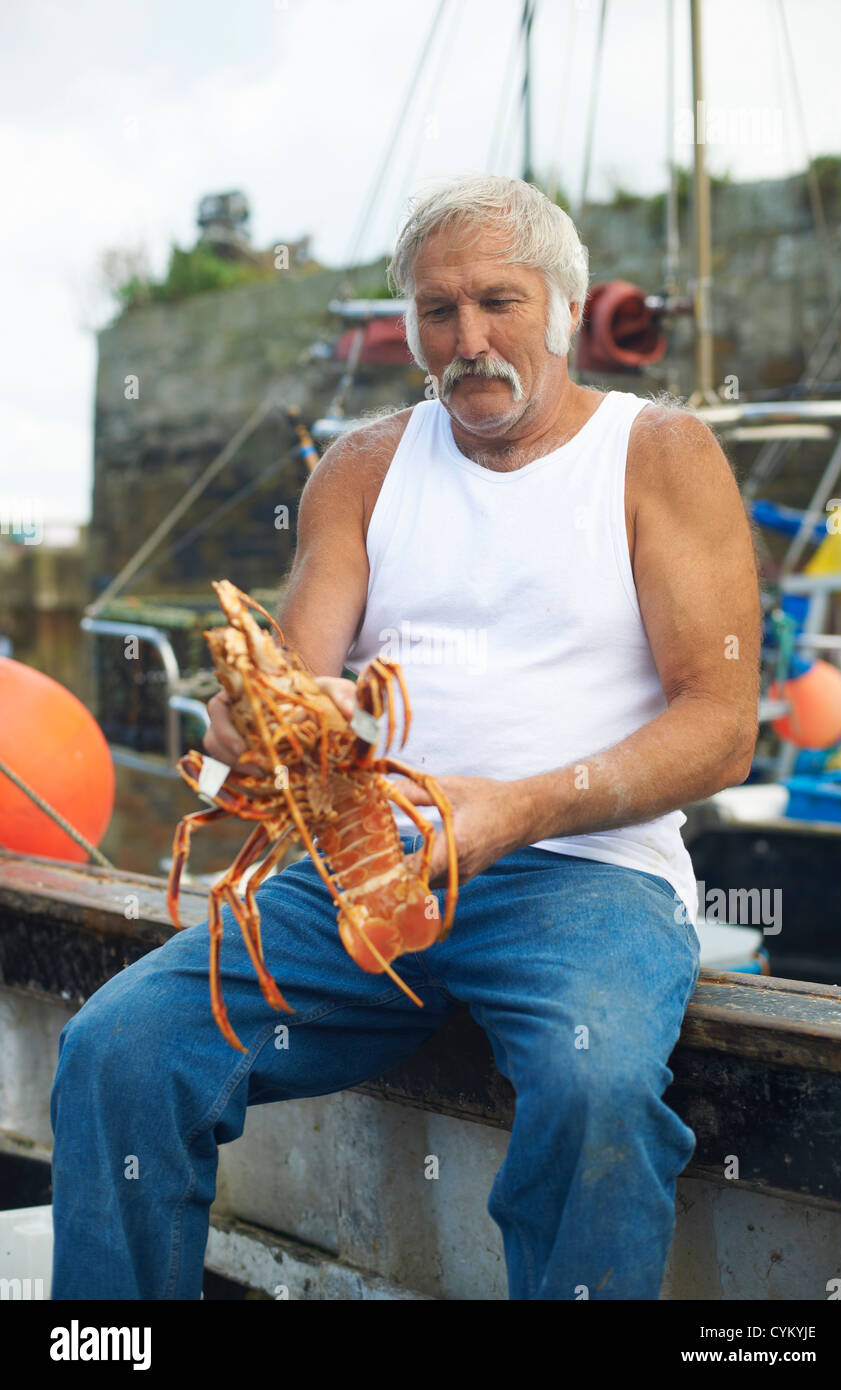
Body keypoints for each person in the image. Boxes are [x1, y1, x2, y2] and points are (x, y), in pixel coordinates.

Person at [50, 173, 760, 1301]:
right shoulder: (365, 467)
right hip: (358, 871)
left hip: (584, 880)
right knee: (116, 1050)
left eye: (498, 302)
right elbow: (288, 686)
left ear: (564, 308)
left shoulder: (658, 454)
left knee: (595, 1095)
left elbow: (721, 731)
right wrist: (253, 727)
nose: (467, 339)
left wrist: (515, 807)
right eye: (437, 311)